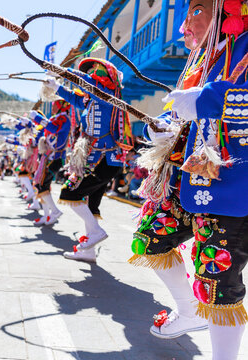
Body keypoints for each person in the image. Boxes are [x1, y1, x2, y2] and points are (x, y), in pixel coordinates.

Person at [127, 1, 248, 358]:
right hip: (190, 181)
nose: (183, 27)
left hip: (234, 188)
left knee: (219, 287)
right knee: (148, 238)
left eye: (196, 10)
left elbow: (216, 104)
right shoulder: (203, 57)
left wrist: (207, 100)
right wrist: (170, 126)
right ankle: (188, 309)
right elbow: (192, 116)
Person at [43, 60, 131, 262]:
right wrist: (56, 87)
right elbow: (75, 97)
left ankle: (96, 233)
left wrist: (62, 71)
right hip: (98, 159)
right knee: (89, 204)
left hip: (104, 159)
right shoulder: (93, 99)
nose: (91, 74)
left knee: (70, 193)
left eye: (95, 72)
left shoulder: (107, 96)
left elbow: (86, 84)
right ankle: (88, 251)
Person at [29, 101, 73, 226]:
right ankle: (47, 215)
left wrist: (37, 117)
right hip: (48, 157)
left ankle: (54, 211)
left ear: (60, 108)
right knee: (41, 185)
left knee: (42, 185)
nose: (52, 108)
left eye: (54, 106)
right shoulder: (56, 118)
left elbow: (53, 128)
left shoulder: (64, 119)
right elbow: (47, 127)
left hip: (56, 157)